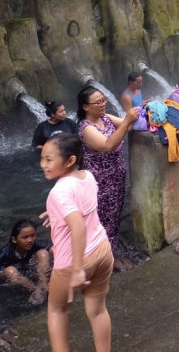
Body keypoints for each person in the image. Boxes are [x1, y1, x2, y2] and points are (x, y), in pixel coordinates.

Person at [39, 133, 114, 352]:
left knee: (56, 310)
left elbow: (78, 226)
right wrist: (54, 213)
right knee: (97, 311)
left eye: (49, 159)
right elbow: (84, 207)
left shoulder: (58, 192)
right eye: (42, 158)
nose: (42, 164)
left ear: (70, 160)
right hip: (102, 250)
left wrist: (78, 269)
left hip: (73, 262)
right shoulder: (87, 176)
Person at [77, 86, 139, 270]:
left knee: (114, 218)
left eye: (104, 100)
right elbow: (107, 145)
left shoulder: (105, 118)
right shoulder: (86, 128)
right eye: (98, 102)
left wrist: (143, 114)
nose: (103, 104)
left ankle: (109, 256)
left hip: (116, 180)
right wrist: (128, 119)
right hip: (100, 185)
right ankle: (103, 260)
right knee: (102, 222)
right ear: (85, 107)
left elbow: (130, 126)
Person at [0, 219, 51, 305]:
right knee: (10, 271)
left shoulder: (35, 244)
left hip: (28, 267)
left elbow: (54, 250)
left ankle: (43, 284)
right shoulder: (5, 252)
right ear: (14, 239)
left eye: (33, 235)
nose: (30, 240)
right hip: (12, 274)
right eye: (25, 237)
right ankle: (34, 290)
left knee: (43, 253)